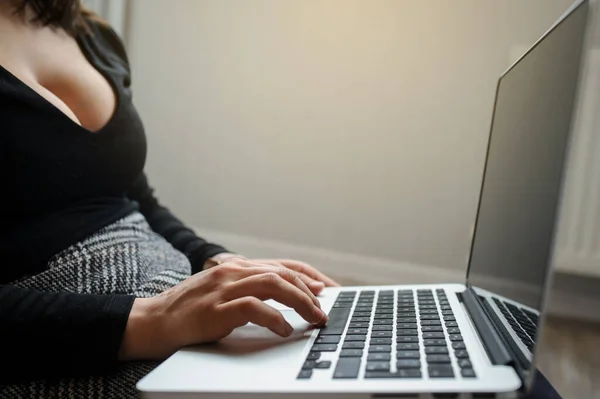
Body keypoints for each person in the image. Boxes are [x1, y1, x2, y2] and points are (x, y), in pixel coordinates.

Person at [0, 1, 339, 397]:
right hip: (63, 341)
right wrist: (150, 319)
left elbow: (128, 193)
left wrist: (215, 259)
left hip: (164, 295)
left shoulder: (89, 34)